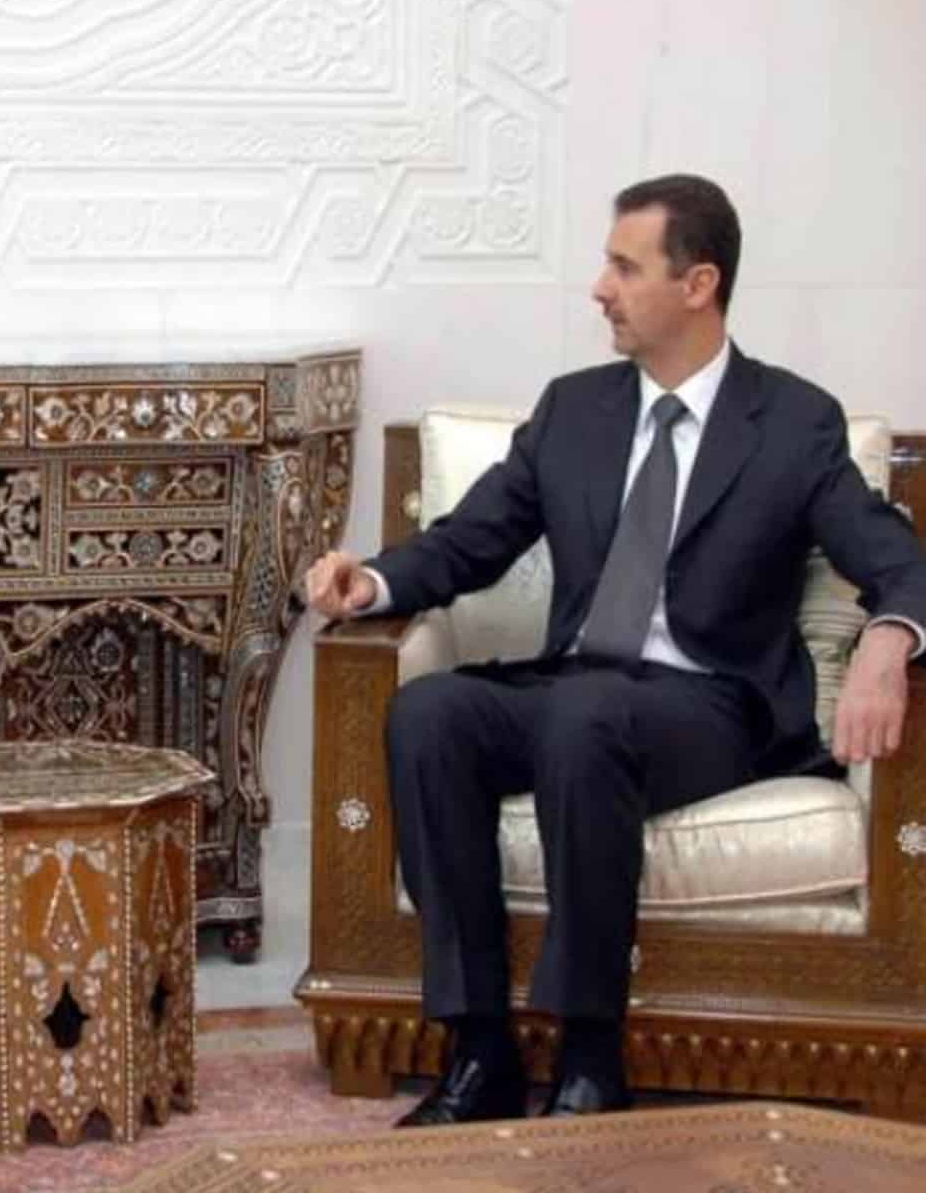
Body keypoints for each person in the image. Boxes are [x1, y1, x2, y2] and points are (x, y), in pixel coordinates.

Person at [305, 173, 926, 1125]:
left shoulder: (792, 421)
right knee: (432, 712)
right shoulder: (575, 409)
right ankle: (479, 1051)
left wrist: (888, 638)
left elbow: (896, 559)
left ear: (698, 283)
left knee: (586, 716)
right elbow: (471, 541)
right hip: (578, 687)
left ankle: (591, 1058)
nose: (600, 288)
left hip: (713, 705)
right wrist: (374, 583)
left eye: (624, 267)